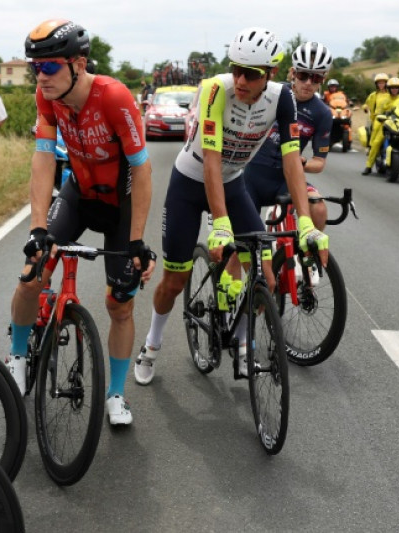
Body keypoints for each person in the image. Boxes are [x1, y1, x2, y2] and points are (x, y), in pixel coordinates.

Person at [133, 27, 329, 386]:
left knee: (266, 277)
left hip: (233, 183)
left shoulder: (282, 99)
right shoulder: (215, 90)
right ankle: (151, 345)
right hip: (189, 183)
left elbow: (292, 162)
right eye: (236, 69)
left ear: (270, 73)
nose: (240, 80)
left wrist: (305, 222)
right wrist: (221, 222)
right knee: (174, 280)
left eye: (250, 74)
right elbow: (212, 158)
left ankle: (240, 341)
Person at [8, 19, 155, 426]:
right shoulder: (47, 96)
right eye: (35, 67)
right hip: (78, 195)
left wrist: (137, 241)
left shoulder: (114, 97)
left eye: (49, 66)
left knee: (119, 304)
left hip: (120, 204)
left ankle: (116, 394)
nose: (41, 76)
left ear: (78, 63)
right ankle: (16, 356)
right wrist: (38, 228)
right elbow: (43, 157)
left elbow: (142, 171)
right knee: (32, 273)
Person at [245, 41, 333, 233]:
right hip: (252, 176)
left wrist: (302, 163)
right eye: (303, 75)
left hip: (288, 179)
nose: (308, 83)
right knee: (244, 240)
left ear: (323, 79)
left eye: (316, 78)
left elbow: (319, 163)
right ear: (293, 73)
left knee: (318, 209)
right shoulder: (271, 93)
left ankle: (309, 250)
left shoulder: (322, 113)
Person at [362, 72, 390, 174]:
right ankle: (369, 166)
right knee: (375, 143)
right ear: (376, 84)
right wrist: (365, 108)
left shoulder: (391, 95)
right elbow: (366, 104)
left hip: (391, 120)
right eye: (379, 83)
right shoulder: (373, 95)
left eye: (383, 82)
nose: (381, 85)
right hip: (377, 120)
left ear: (387, 83)